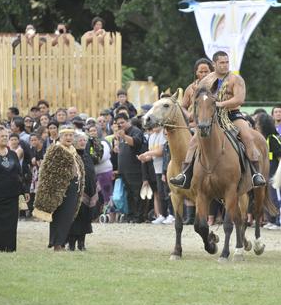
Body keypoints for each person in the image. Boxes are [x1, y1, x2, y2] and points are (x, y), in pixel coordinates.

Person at [169, 51, 266, 189]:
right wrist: (195, 113)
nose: (225, 65)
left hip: (233, 115)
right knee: (194, 141)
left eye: (227, 62)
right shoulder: (206, 81)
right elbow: (197, 99)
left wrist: (220, 104)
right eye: (221, 62)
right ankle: (185, 175)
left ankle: (256, 174)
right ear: (214, 64)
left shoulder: (236, 79)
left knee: (248, 137)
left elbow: (239, 99)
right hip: (212, 118)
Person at [33, 125, 86, 251]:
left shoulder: (73, 150)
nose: (68, 138)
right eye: (66, 135)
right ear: (60, 137)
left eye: (71, 135)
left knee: (68, 216)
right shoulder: (56, 149)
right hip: (60, 189)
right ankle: (57, 243)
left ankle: (62, 242)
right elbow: (48, 170)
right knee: (60, 216)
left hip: (74, 187)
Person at [67, 132, 96, 251]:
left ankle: (82, 244)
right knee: (75, 218)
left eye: (84, 140)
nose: (83, 142)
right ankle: (72, 244)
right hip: (76, 192)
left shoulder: (87, 156)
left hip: (89, 191)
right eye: (80, 140)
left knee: (85, 218)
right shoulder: (72, 156)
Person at [114, 114, 145, 223]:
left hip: (134, 169)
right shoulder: (121, 134)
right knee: (128, 194)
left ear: (128, 121)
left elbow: (135, 143)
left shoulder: (135, 131)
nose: (120, 125)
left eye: (122, 122)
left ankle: (139, 216)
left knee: (137, 194)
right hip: (124, 170)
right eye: (118, 124)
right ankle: (130, 215)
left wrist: (123, 136)